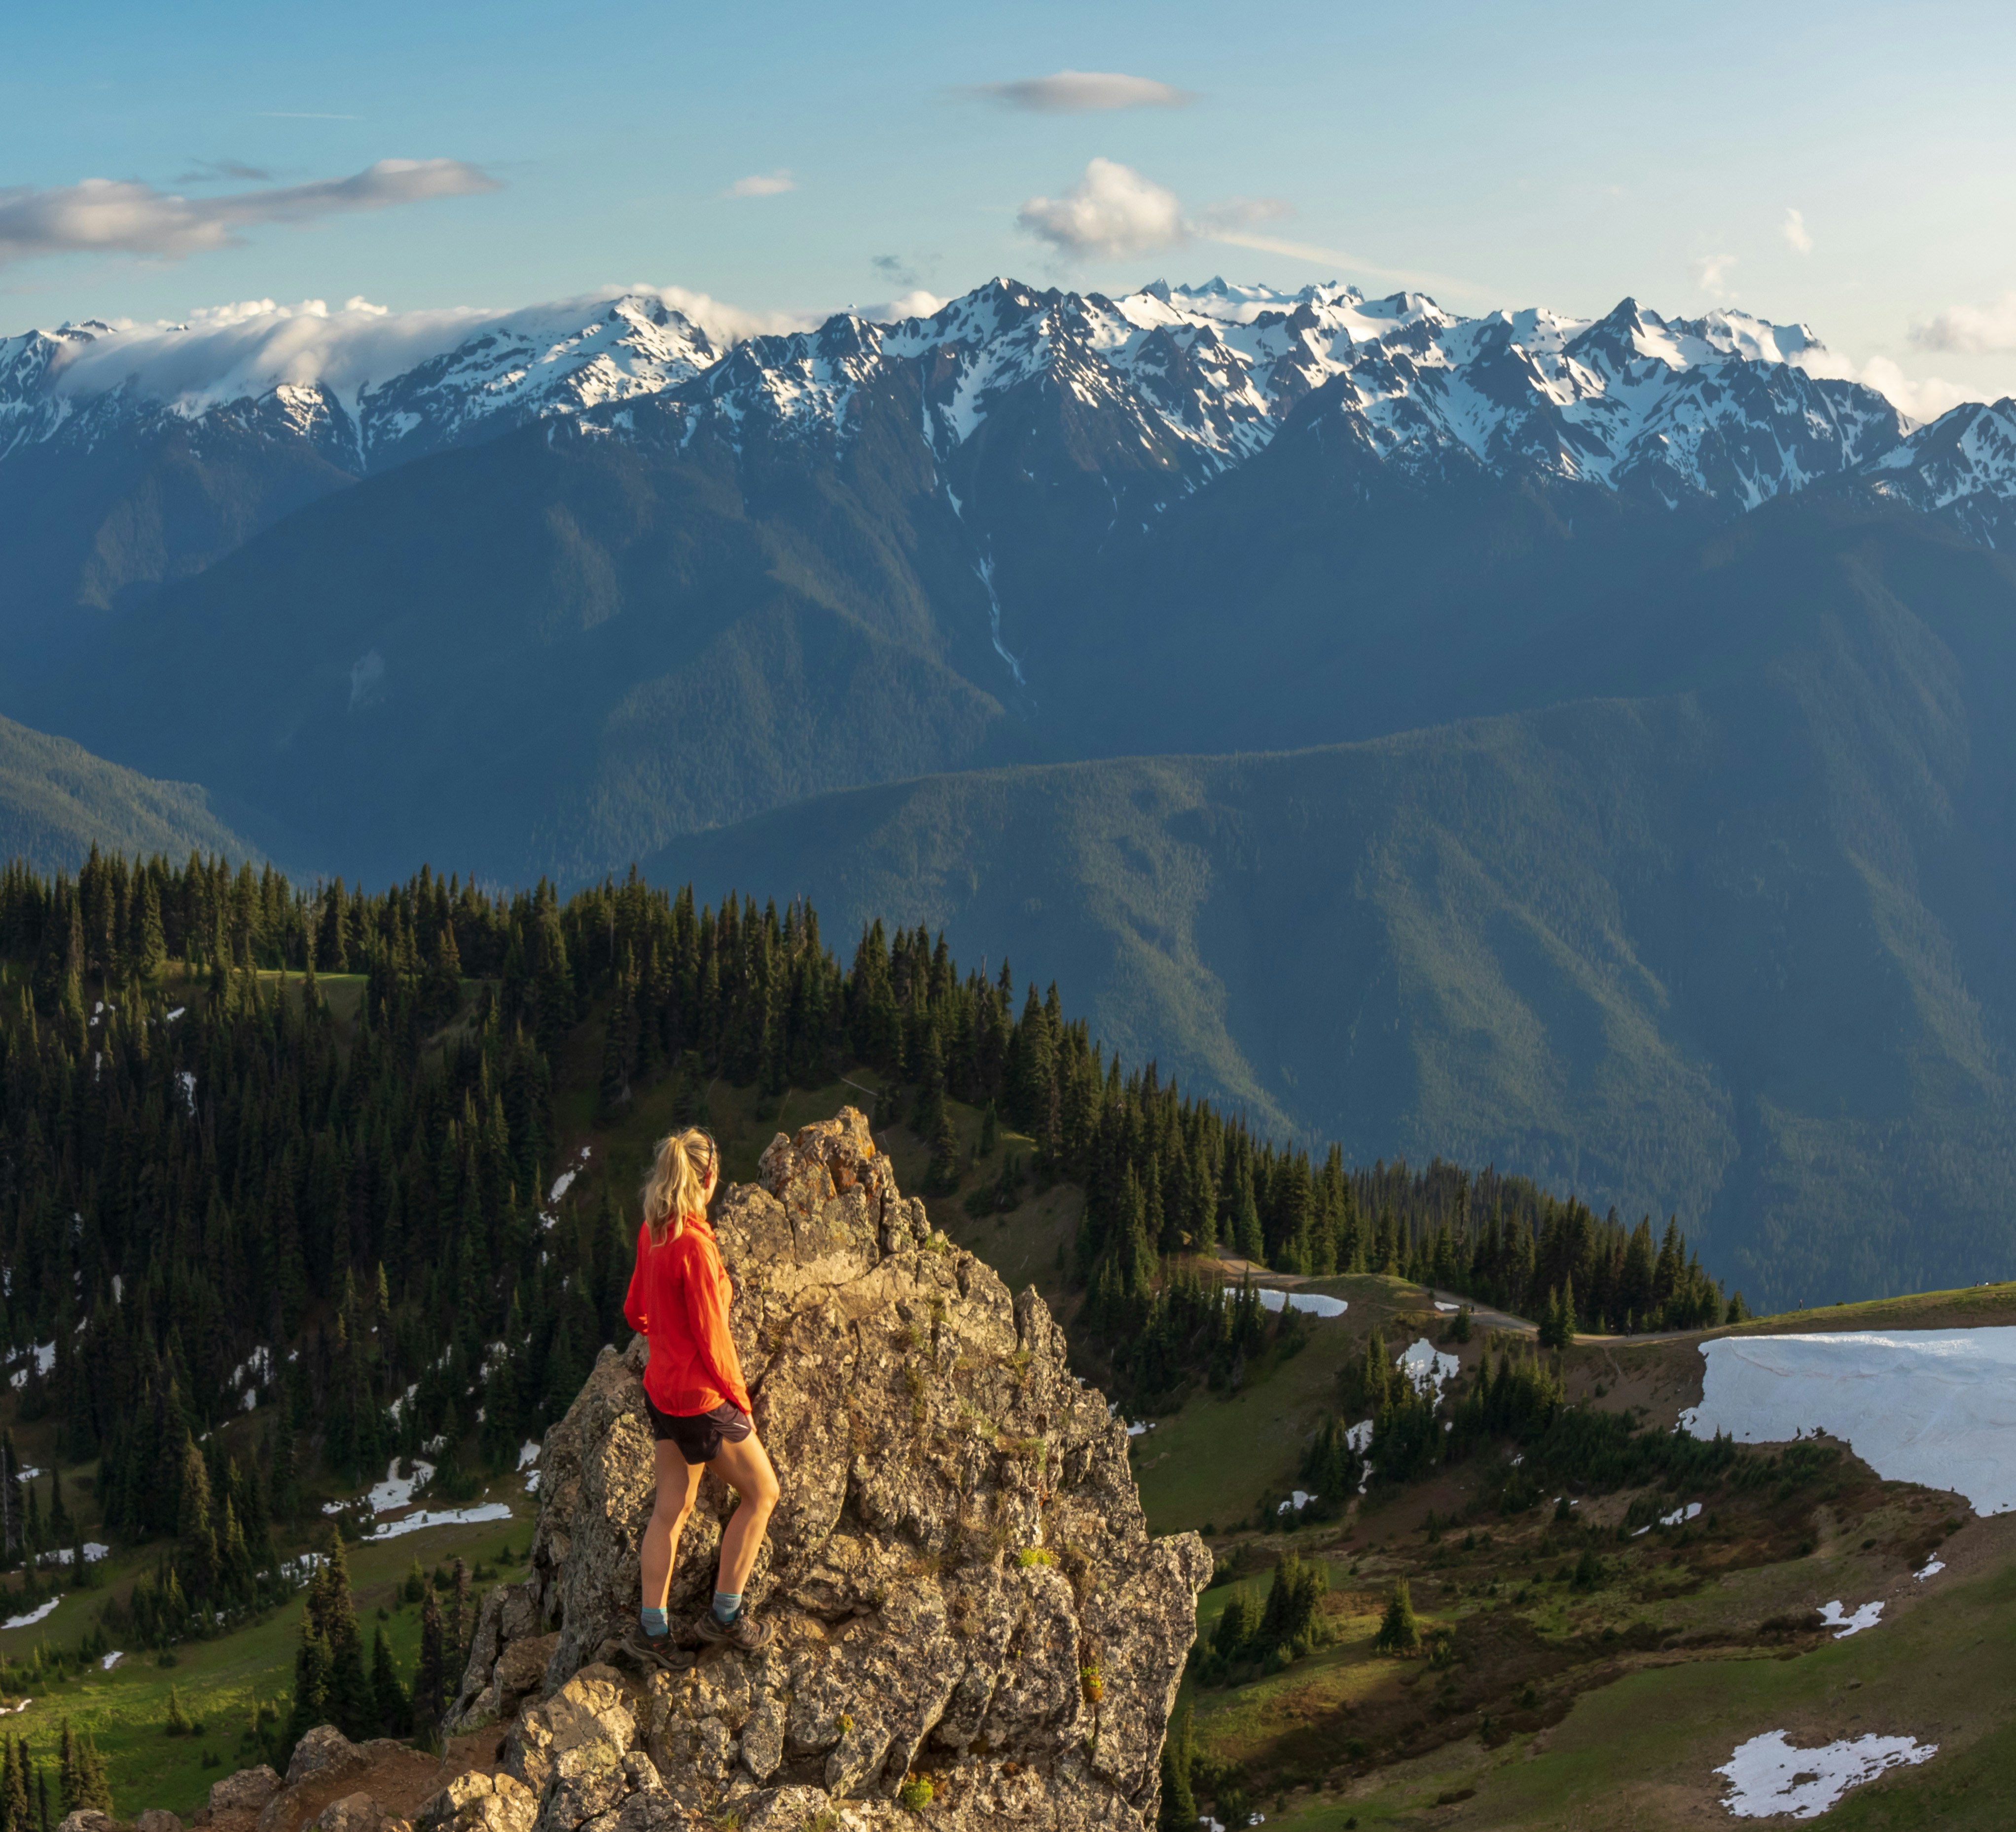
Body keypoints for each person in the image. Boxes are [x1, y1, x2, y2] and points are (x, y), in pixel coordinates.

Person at [621, 1127, 781, 1666]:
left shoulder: (654, 1231)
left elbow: (635, 1312)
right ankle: (726, 1615)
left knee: (671, 1509)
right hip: (698, 1401)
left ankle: (651, 1630)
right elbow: (715, 1341)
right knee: (763, 1493)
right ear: (708, 1178)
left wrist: (664, 1333)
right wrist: (740, 1406)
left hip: (660, 1393)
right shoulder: (696, 1246)